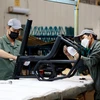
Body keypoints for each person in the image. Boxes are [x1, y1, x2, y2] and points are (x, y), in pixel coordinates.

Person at [63, 29, 100, 100]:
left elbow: (91, 61)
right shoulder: (90, 52)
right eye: (81, 40)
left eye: (83, 38)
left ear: (90, 36)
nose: (82, 41)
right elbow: (82, 70)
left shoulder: (98, 46)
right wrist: (69, 56)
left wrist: (76, 54)